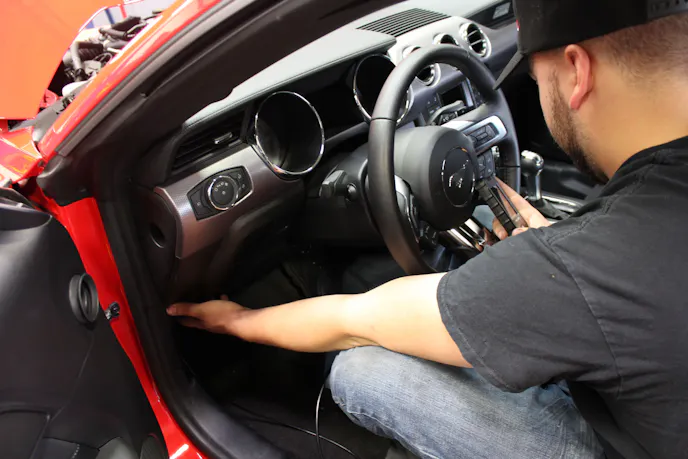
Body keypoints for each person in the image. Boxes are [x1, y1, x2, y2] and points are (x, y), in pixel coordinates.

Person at [167, 1, 688, 457]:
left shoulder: (587, 266)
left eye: (537, 78)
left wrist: (239, 321)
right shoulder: (625, 234)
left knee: (361, 370)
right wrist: (552, 249)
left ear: (577, 70)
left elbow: (358, 320)